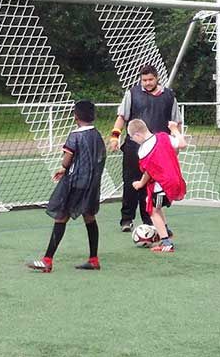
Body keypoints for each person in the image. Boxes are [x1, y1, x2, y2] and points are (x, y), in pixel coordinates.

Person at [27, 100, 106, 272]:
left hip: (76, 183)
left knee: (61, 217)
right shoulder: (97, 135)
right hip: (92, 184)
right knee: (89, 217)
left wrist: (63, 168)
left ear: (75, 116)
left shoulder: (75, 135)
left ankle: (47, 260)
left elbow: (67, 159)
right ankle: (93, 259)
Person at [108, 64, 180, 232]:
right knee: (130, 182)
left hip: (158, 150)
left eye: (150, 79)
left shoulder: (169, 96)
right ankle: (127, 219)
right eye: (144, 80)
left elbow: (176, 123)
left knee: (152, 184)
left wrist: (176, 144)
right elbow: (121, 117)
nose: (147, 83)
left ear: (157, 78)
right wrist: (114, 137)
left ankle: (150, 220)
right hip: (133, 148)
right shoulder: (132, 94)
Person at [127, 118, 186, 254]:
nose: (133, 141)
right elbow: (182, 144)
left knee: (152, 211)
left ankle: (166, 242)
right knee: (153, 204)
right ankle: (166, 231)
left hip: (162, 184)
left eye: (132, 138)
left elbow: (149, 171)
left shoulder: (143, 151)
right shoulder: (164, 137)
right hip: (176, 180)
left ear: (137, 135)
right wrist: (174, 129)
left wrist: (141, 183)